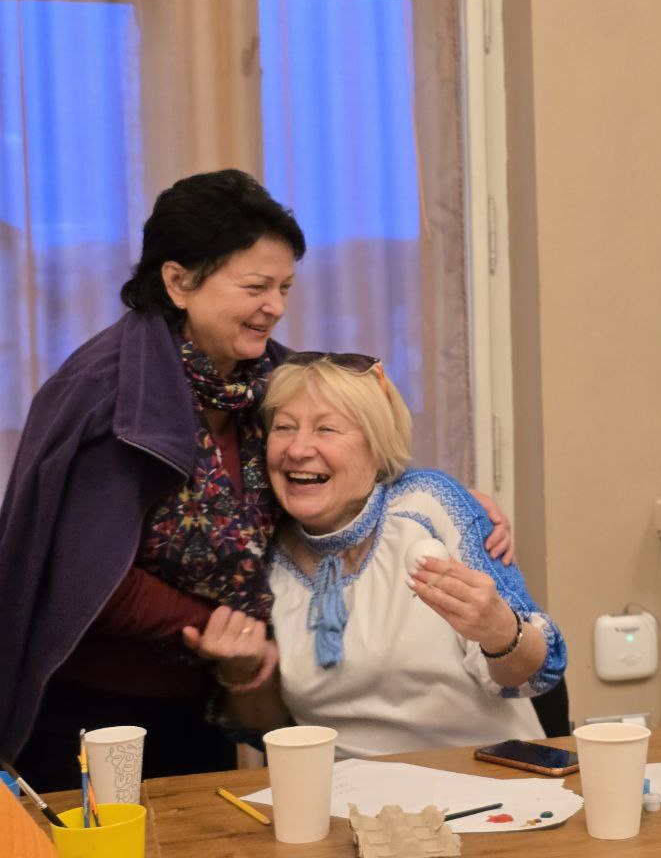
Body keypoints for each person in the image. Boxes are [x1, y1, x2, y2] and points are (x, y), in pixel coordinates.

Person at [0, 170, 512, 788]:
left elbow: (349, 457)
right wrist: (227, 624)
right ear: (178, 282)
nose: (276, 306)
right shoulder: (107, 393)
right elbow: (89, 577)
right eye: (256, 286)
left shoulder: (269, 376)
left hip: (209, 698)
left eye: (284, 287)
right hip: (95, 709)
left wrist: (444, 498)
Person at [183, 354, 565, 758]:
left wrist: (499, 631)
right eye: (284, 427)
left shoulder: (429, 505)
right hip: (347, 792)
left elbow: (540, 671)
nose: (297, 449)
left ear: (378, 450)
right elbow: (270, 731)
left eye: (326, 428)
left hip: (483, 774)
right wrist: (242, 673)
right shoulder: (260, 549)